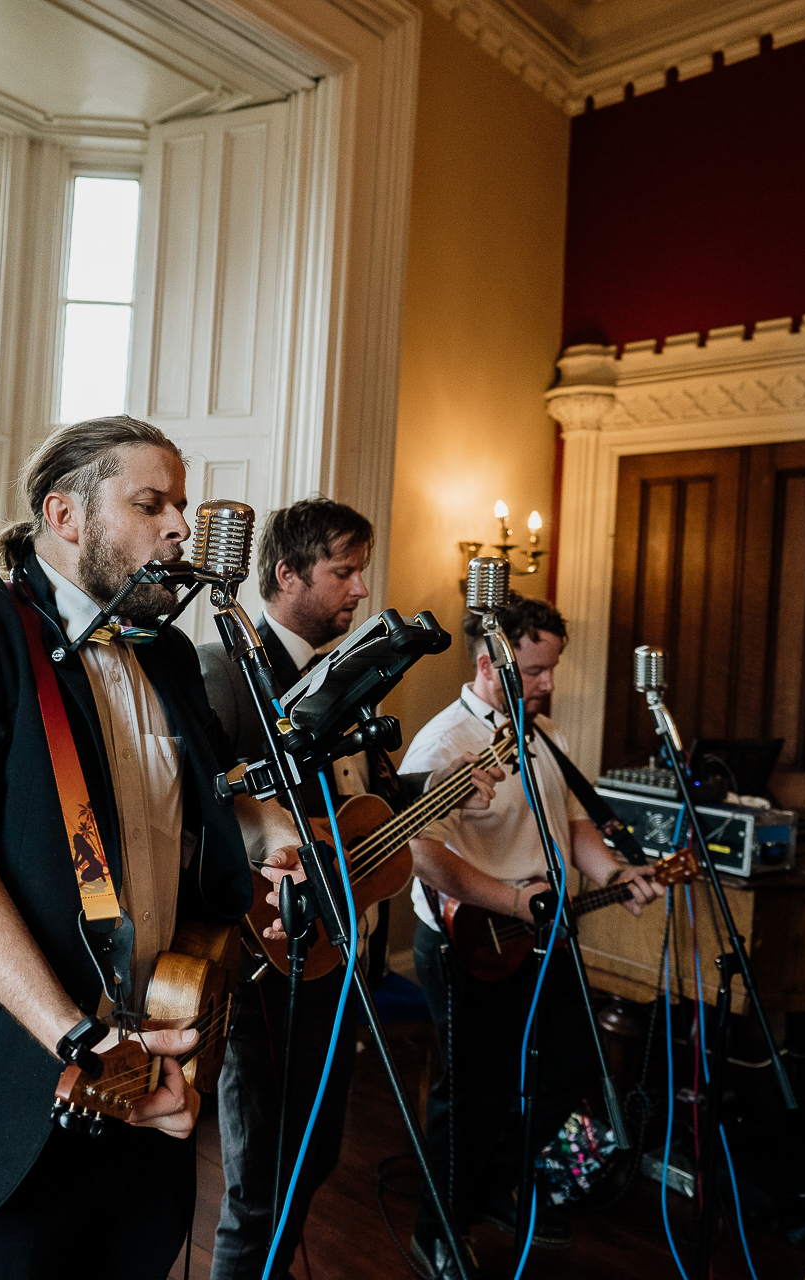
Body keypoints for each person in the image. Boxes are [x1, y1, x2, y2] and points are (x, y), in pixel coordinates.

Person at [0, 417, 305, 1279]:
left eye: (183, 504)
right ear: (64, 514)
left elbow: (202, 808)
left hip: (151, 1089)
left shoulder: (167, 653)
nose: (181, 526)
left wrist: (270, 838)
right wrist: (74, 1040)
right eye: (151, 503)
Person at [197, 498, 502, 1280]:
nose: (360, 589)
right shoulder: (224, 668)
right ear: (285, 573)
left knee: (317, 1156)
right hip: (270, 953)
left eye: (360, 570)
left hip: (347, 953)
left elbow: (369, 806)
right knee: (261, 1184)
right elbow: (198, 802)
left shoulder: (358, 671)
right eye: (344, 570)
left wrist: (446, 784)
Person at [400, 597, 663, 1273]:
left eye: (551, 667)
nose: (549, 683)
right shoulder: (443, 743)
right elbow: (424, 855)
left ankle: (493, 1182)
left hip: (546, 932)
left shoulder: (546, 738)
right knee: (469, 1095)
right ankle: (437, 1232)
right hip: (471, 941)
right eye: (537, 669)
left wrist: (616, 871)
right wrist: (513, 899)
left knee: (571, 1067)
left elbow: (572, 826)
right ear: (491, 663)